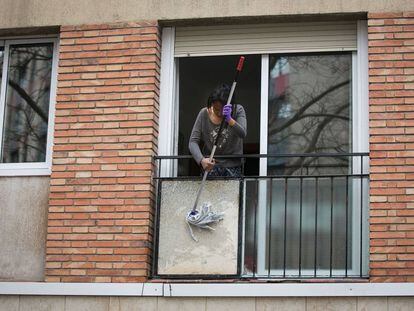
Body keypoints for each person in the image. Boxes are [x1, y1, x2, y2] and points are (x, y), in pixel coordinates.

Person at [189, 84, 247, 177]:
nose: (219, 113)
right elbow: (192, 142)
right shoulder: (204, 113)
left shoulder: (238, 110)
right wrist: (201, 160)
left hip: (233, 166)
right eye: (216, 109)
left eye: (222, 110)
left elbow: (242, 134)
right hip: (211, 165)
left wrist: (229, 119)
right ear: (211, 104)